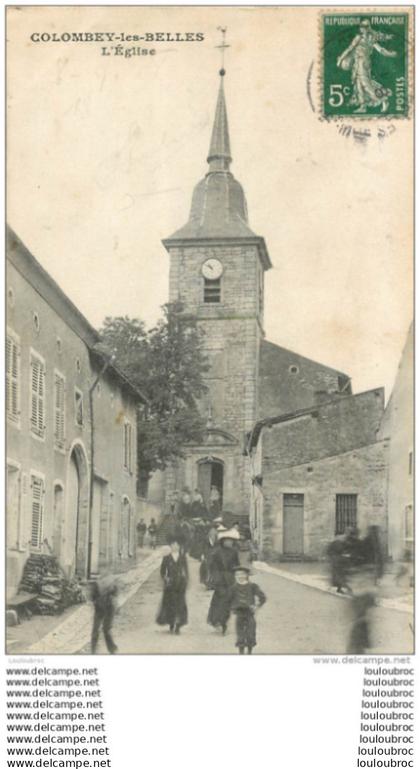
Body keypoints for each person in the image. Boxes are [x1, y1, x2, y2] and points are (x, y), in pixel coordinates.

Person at [337, 19, 397, 114]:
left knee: (365, 84)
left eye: (364, 27)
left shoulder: (365, 38)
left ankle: (382, 100)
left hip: (362, 63)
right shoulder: (366, 37)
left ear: (368, 28)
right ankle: (363, 106)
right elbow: (350, 49)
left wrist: (390, 54)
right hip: (359, 63)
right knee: (358, 85)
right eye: (361, 26)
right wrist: (341, 58)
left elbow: (380, 50)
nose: (362, 29)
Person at [207, 529, 240, 634]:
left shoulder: (234, 552)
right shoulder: (217, 552)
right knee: (219, 602)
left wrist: (237, 575)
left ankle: (224, 622)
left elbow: (237, 565)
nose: (229, 542)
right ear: (223, 541)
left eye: (231, 540)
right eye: (227, 540)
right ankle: (217, 621)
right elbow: (212, 567)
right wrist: (216, 579)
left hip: (230, 580)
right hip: (220, 580)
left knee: (228, 603)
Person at [230, 565, 266, 654]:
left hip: (250, 613)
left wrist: (257, 605)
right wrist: (232, 607)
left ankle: (250, 652)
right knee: (240, 634)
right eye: (237, 575)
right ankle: (241, 652)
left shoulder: (252, 586)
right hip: (239, 613)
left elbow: (262, 597)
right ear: (235, 576)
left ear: (246, 575)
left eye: (242, 574)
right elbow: (228, 599)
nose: (240, 576)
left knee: (251, 633)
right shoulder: (233, 588)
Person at [156, 539, 188, 634]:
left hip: (180, 584)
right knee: (170, 604)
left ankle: (178, 625)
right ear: (170, 546)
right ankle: (171, 623)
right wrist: (165, 578)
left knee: (180, 604)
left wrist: (185, 580)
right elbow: (162, 571)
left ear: (179, 546)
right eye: (173, 544)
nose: (175, 546)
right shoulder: (166, 558)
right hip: (170, 584)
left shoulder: (183, 557)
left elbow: (186, 571)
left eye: (177, 544)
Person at [91, 575, 120, 654]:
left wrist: (114, 604)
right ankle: (93, 651)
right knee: (96, 630)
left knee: (106, 629)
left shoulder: (112, 581)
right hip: (99, 607)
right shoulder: (97, 584)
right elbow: (93, 598)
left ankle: (112, 649)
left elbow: (116, 595)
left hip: (109, 607)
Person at [200, 523, 218, 588]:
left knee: (212, 570)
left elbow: (215, 546)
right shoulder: (207, 540)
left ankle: (211, 584)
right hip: (209, 556)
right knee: (209, 570)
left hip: (213, 556)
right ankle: (208, 584)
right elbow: (204, 547)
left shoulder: (215, 540)